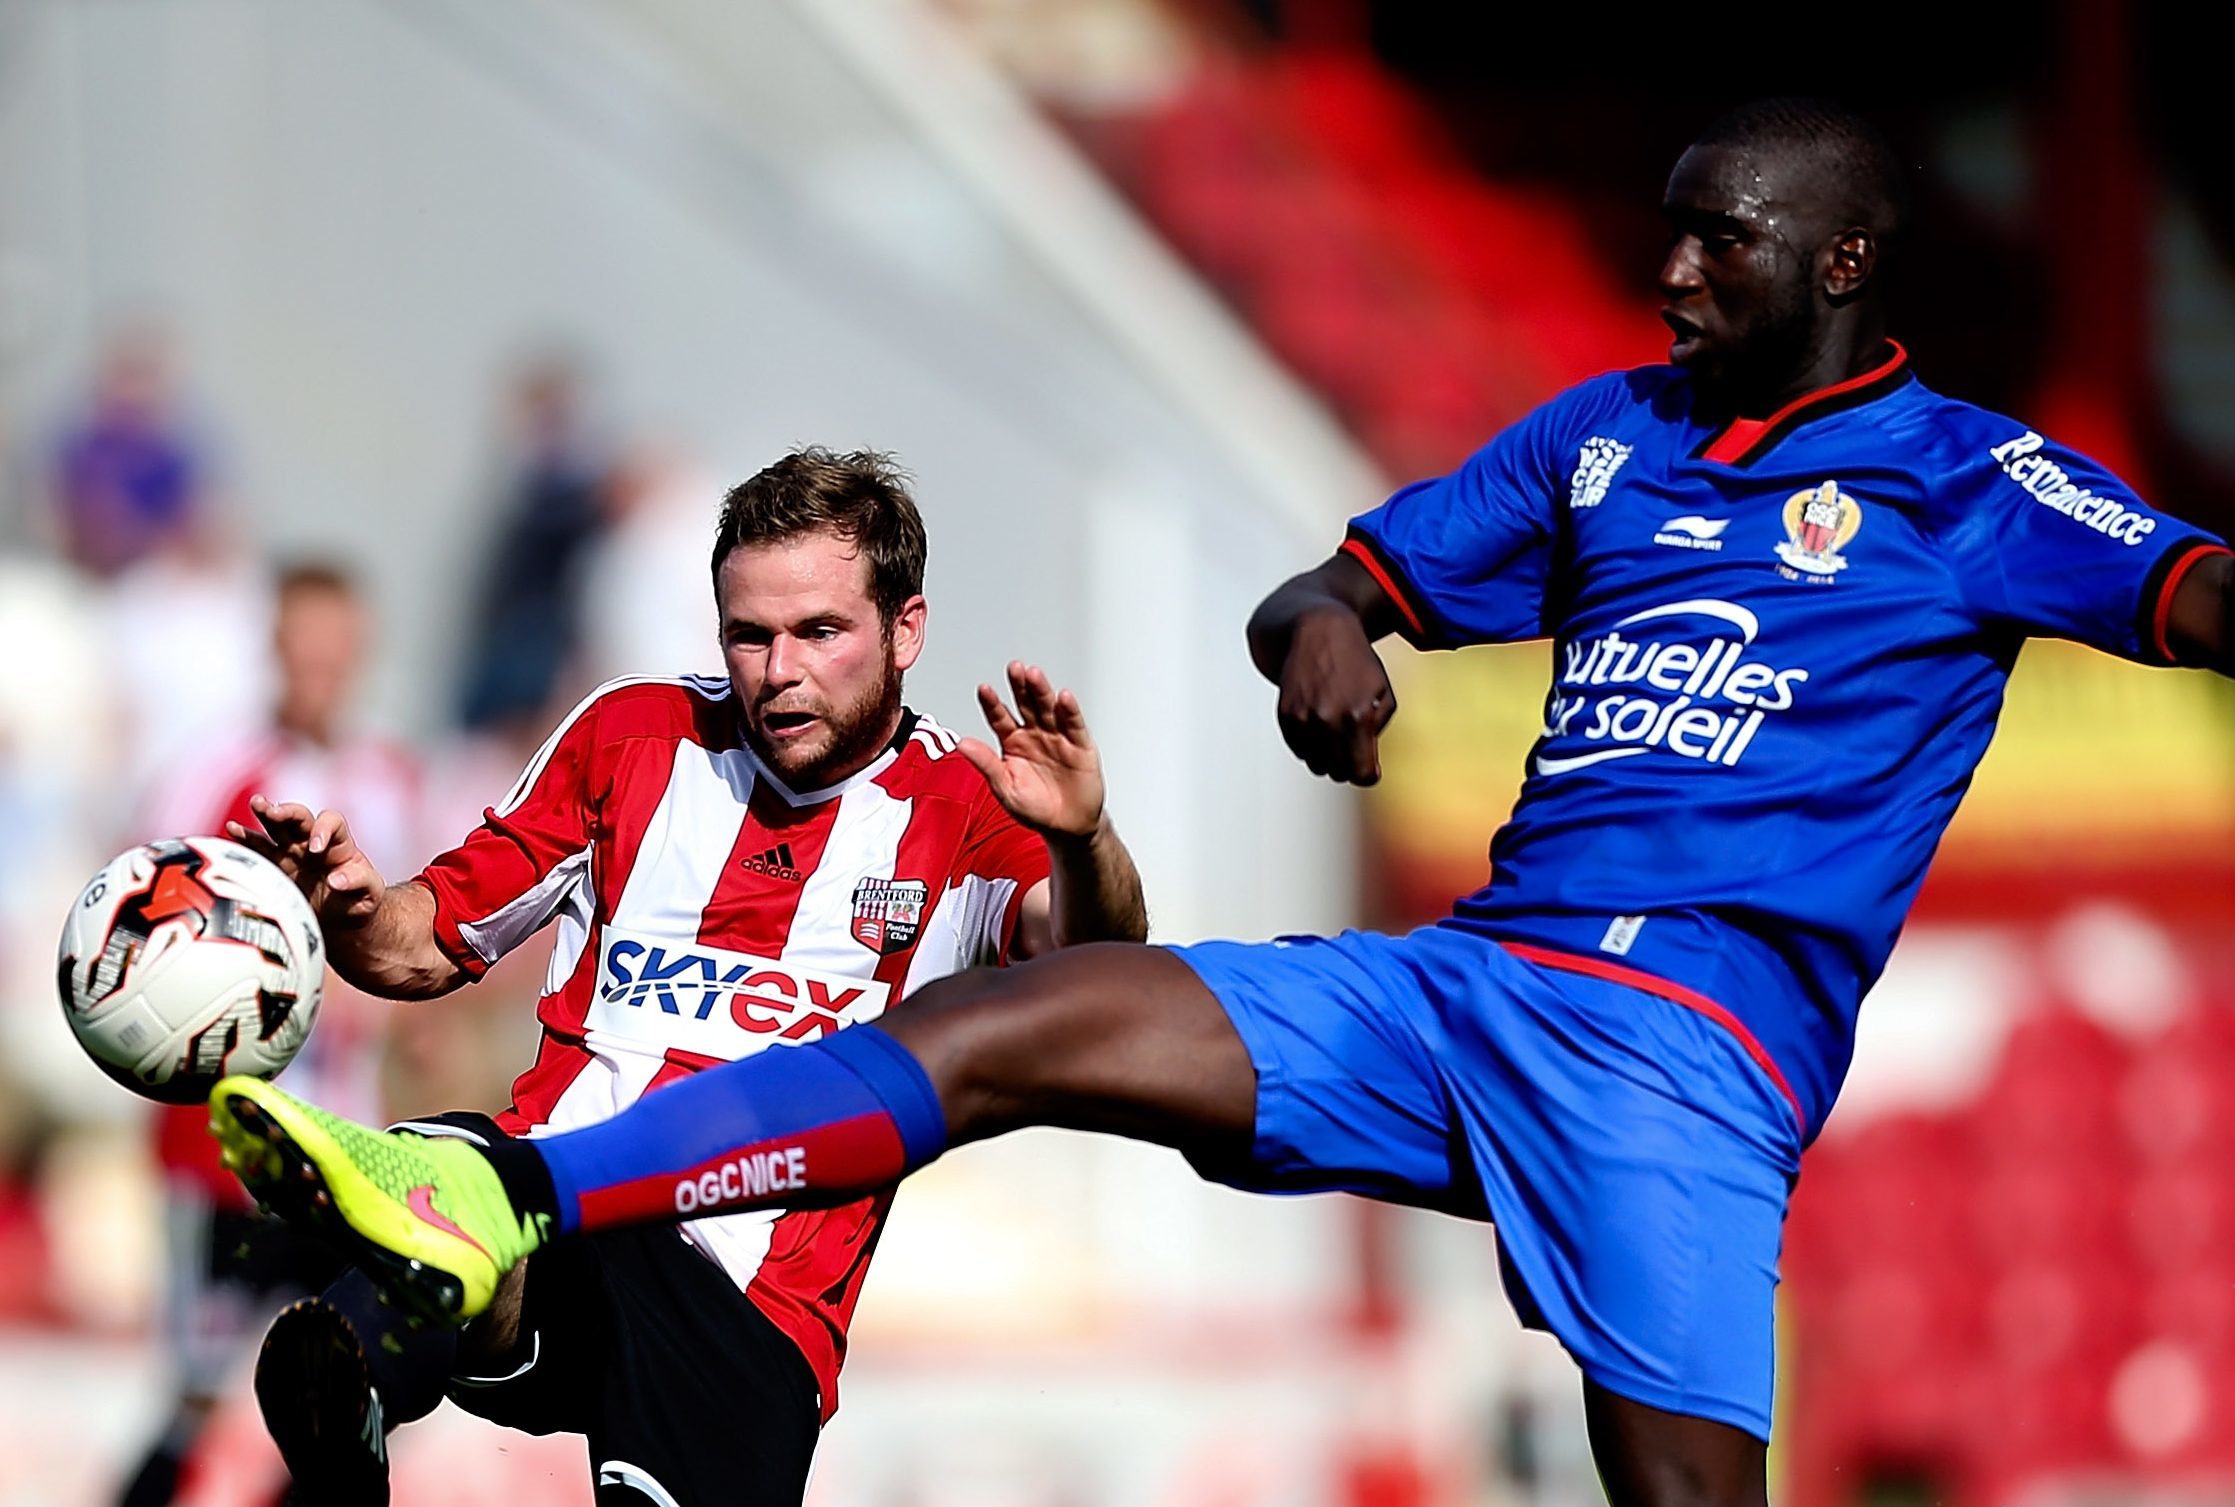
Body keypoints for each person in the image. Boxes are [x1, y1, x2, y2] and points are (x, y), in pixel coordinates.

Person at [207, 99, 2235, 1506]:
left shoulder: (1969, 488)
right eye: (1671, 223)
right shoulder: (1609, 436)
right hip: (1465, 986)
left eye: (1723, 237)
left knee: (1684, 1483)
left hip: (1681, 1058)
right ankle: (508, 1190)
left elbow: (2198, 595)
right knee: (1007, 1027)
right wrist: (1330, 635)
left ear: (1849, 262)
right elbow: (1326, 585)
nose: (1671, 268)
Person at [221, 449, 1147, 1507]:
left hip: (749, 1304)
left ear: (906, 631)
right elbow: (423, 943)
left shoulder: (963, 805)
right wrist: (352, 910)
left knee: (477, 1197)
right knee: (466, 1174)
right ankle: (358, 1369)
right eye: (748, 635)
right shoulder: (632, 738)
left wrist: (1084, 841)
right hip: (561, 1214)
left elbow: (1097, 969)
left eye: (818, 632)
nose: (777, 669)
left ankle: (385, 1315)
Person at [117, 563, 418, 1507]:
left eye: (340, 644)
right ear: (276, 647)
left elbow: (425, 941)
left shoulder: (392, 779)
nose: (322, 663)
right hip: (227, 1149)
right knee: (198, 1396)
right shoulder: (211, 775)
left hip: (342, 1149)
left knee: (349, 1389)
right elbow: (145, 936)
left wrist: (414, 1017)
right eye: (305, 642)